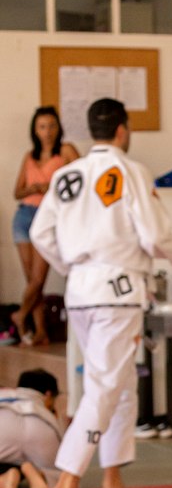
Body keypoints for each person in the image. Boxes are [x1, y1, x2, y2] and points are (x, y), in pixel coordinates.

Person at [29, 97, 172, 488]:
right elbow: (154, 234)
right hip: (117, 292)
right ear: (122, 129)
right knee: (105, 386)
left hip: (80, 290)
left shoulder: (65, 174)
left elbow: (41, 232)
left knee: (120, 384)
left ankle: (113, 481)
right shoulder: (131, 171)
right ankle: (69, 482)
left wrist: (71, 266)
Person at [5, 106, 79, 348]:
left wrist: (52, 189)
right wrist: (35, 189)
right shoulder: (30, 156)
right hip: (24, 216)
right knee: (31, 281)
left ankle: (20, 315)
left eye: (51, 126)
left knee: (37, 279)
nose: (47, 132)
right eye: (42, 127)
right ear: (35, 130)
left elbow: (82, 180)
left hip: (48, 217)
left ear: (58, 127)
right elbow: (17, 191)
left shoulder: (66, 151)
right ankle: (40, 332)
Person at [0, 369, 63, 488]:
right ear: (48, 395)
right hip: (40, 425)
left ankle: (3, 480)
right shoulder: (46, 412)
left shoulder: (5, 392)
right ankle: (38, 475)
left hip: (2, 421)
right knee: (61, 476)